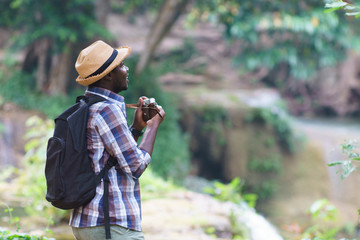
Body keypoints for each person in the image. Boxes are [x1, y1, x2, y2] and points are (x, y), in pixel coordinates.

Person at [69, 40, 165, 240]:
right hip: (110, 223)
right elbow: (136, 166)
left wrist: (137, 129)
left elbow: (110, 158)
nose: (126, 68)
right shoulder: (107, 109)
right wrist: (153, 126)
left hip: (86, 222)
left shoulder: (87, 105)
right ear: (109, 75)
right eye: (121, 66)